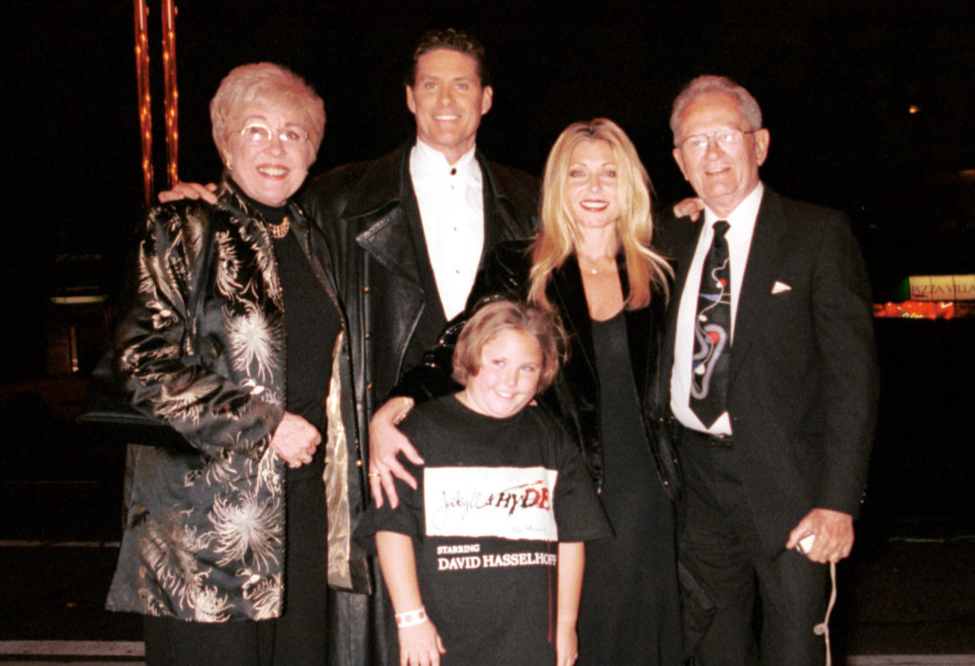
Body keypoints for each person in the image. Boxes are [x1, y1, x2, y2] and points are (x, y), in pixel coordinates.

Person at [372, 119, 683, 665]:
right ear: (557, 185)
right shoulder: (520, 265)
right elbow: (456, 348)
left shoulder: (662, 274)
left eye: (609, 174)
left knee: (635, 641)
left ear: (630, 183)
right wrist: (394, 408)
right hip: (556, 485)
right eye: (578, 174)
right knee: (561, 643)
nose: (593, 188)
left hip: (646, 495)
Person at [105, 63, 365, 666]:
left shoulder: (313, 239)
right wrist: (264, 422)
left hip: (300, 509)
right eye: (256, 130)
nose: (276, 149)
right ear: (225, 142)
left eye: (293, 134)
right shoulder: (183, 227)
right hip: (204, 525)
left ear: (312, 151)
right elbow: (140, 364)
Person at [657, 75, 879, 664]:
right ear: (680, 162)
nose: (713, 153)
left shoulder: (816, 234)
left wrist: (839, 503)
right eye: (696, 142)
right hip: (695, 487)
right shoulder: (666, 238)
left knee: (796, 651)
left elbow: (853, 381)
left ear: (760, 144)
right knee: (711, 648)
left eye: (727, 135)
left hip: (792, 491)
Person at [356, 299, 611, 666]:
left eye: (527, 368)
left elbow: (573, 537)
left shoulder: (550, 438)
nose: (510, 381)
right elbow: (392, 530)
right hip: (440, 642)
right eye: (498, 363)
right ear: (471, 358)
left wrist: (567, 625)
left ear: (543, 374)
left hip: (529, 643)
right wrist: (410, 619)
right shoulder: (419, 432)